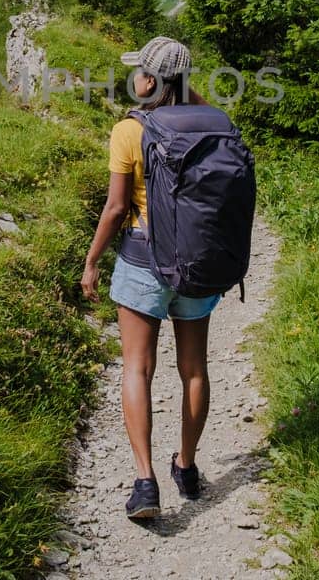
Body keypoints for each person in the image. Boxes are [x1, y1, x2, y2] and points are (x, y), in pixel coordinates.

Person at [80, 35, 219, 520]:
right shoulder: (213, 125)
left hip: (143, 260)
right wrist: (186, 91)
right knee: (194, 369)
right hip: (198, 264)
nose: (134, 77)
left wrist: (92, 260)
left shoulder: (129, 131)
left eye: (140, 70)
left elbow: (117, 208)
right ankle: (188, 465)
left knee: (137, 368)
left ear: (150, 79)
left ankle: (145, 482)